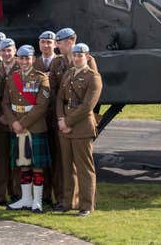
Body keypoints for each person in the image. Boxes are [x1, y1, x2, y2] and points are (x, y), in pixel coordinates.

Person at [55, 43, 102, 217]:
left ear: (87, 57)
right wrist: (61, 119)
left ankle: (86, 205)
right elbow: (60, 98)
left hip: (82, 127)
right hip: (65, 126)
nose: (76, 58)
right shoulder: (68, 74)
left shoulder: (93, 77)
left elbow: (87, 106)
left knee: (84, 168)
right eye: (74, 55)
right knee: (67, 167)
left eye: (80, 55)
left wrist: (67, 121)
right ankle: (68, 202)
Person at [2, 45, 51, 213]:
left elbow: (41, 106)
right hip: (17, 126)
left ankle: (37, 201)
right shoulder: (12, 77)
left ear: (33, 59)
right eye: (21, 58)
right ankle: (26, 198)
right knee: (23, 164)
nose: (24, 61)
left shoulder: (41, 78)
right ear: (18, 59)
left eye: (27, 58)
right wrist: (13, 123)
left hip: (34, 126)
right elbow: (5, 104)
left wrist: (22, 124)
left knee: (37, 165)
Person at [33, 30, 61, 208]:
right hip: (38, 118)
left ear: (55, 44)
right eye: (43, 42)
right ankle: (43, 196)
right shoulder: (34, 62)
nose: (46, 45)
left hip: (56, 116)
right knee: (41, 160)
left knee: (58, 160)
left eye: (49, 42)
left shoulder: (61, 62)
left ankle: (60, 197)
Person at [0, 37, 20, 204]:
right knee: (0, 161)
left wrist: (15, 119)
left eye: (10, 50)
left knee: (18, 160)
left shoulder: (22, 67)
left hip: (18, 121)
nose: (7, 53)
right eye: (4, 50)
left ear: (14, 51)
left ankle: (17, 194)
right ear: (0, 52)